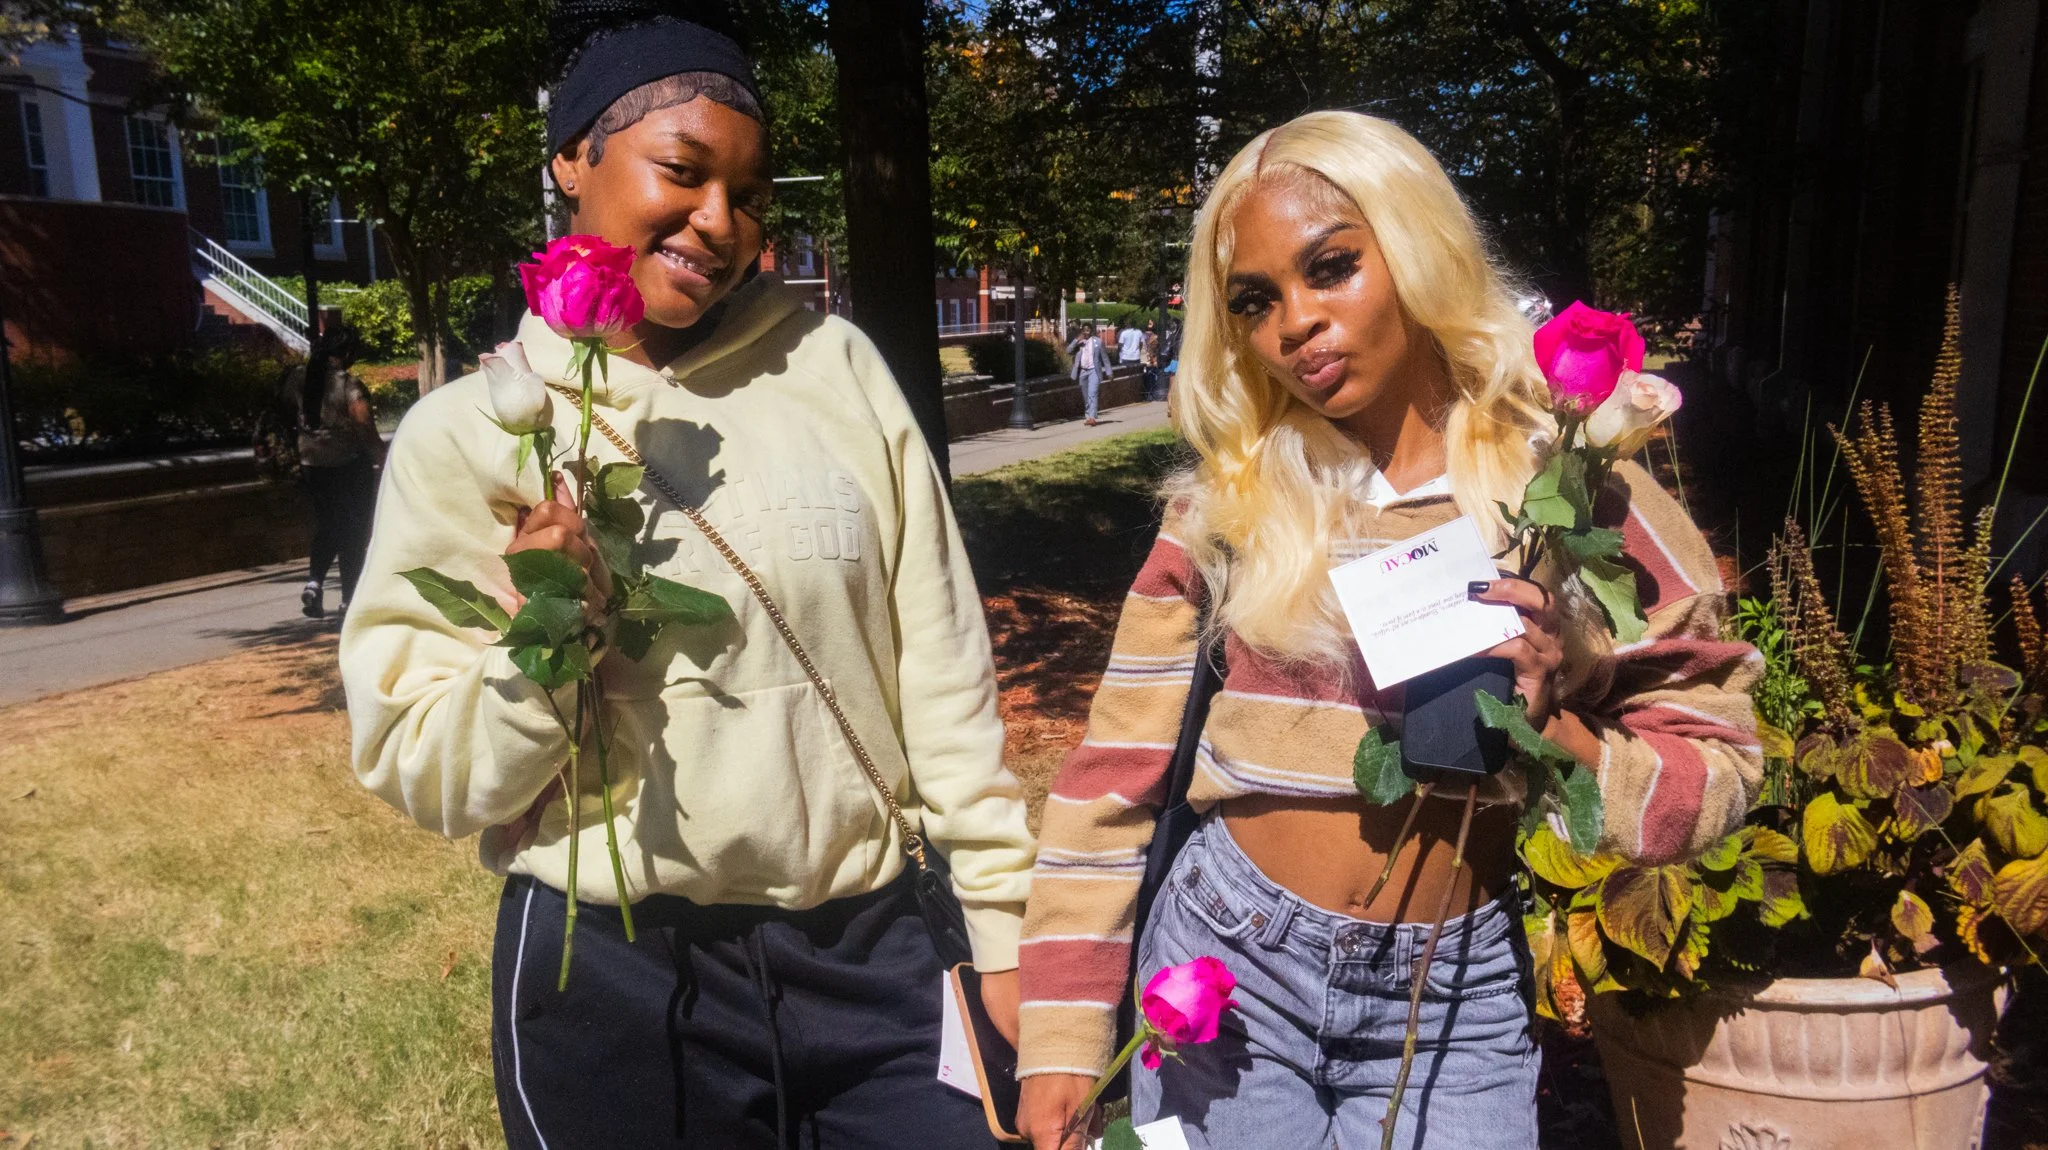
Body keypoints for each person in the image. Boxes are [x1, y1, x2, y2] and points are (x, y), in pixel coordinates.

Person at [338, 5, 1034, 1146]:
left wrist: (1003, 929)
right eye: (684, 171)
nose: (722, 223)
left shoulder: (835, 367)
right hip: (614, 975)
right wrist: (544, 644)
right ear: (572, 161)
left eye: (752, 195)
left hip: (878, 958)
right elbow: (421, 765)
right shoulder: (470, 434)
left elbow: (946, 676)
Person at [1014, 111, 1762, 1150]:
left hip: (1451, 999)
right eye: (1254, 300)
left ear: (1413, 245)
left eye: (1330, 267)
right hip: (1225, 975)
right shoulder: (1222, 512)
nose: (1296, 323)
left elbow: (1718, 762)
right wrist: (1059, 1037)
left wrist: (1562, 732)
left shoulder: (1570, 485)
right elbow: (1109, 776)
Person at [292, 325, 381, 619]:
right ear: (345, 353)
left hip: (311, 466)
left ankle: (314, 583)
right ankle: (347, 600)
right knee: (352, 535)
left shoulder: (298, 379)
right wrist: (382, 456)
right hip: (348, 466)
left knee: (328, 526)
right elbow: (364, 424)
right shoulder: (347, 384)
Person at [1067, 322, 1109, 426]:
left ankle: (1092, 417)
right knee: (1086, 395)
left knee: (1092, 393)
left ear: (1091, 331)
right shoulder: (1079, 342)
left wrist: (1109, 372)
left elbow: (1105, 358)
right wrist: (1077, 340)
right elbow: (1068, 351)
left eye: (1088, 330)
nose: (1086, 332)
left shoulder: (1098, 342)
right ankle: (1088, 416)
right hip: (1083, 371)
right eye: (1084, 330)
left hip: (1094, 370)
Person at [1140, 320, 1161, 401]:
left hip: (1146, 359)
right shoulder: (1155, 337)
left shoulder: (1143, 336)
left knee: (1148, 377)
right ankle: (1151, 394)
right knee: (1152, 377)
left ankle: (1148, 394)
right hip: (1151, 359)